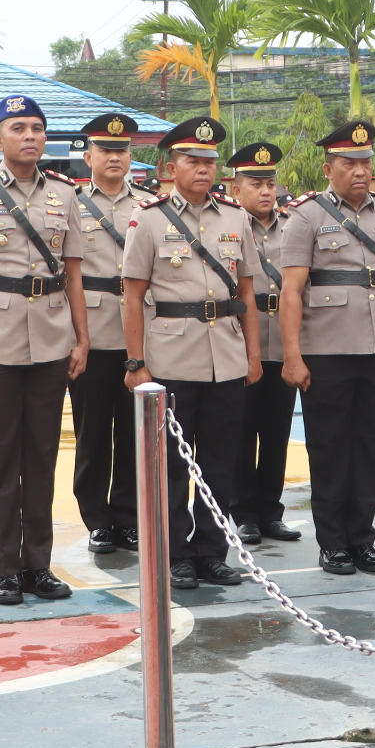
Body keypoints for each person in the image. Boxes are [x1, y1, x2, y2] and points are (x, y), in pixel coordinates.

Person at [0, 95, 90, 607]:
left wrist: (82, 337)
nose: (29, 136)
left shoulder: (64, 194)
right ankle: (6, 568)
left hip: (51, 338)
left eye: (36, 128)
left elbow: (73, 272)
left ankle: (38, 565)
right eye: (18, 128)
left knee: (43, 457)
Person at [121, 115, 258, 592]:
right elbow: (133, 295)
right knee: (174, 466)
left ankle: (212, 553)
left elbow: (247, 292)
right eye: (191, 160)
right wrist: (135, 363)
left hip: (226, 353)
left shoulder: (236, 217)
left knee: (220, 462)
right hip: (171, 357)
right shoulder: (150, 218)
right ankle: (177, 554)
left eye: (208, 161)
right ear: (170, 166)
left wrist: (254, 356)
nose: (202, 169)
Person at [279, 119, 375, 574]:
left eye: (365, 162)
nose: (359, 171)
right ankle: (333, 542)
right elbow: (292, 291)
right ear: (328, 168)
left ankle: (363, 540)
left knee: (370, 447)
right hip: (327, 349)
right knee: (330, 448)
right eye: (348, 163)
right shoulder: (307, 216)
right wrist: (293, 355)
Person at [65, 112, 153, 557]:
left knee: (136, 433)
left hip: (142, 335)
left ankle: (129, 516)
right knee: (93, 432)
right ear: (89, 156)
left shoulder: (151, 204)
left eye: (121, 151)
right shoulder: (71, 203)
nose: (114, 157)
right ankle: (97, 519)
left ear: (131, 156)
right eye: (105, 150)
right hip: (94, 332)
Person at [229, 141, 304, 547]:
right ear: (235, 188)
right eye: (255, 183)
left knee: (277, 433)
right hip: (240, 342)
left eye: (270, 183)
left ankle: (270, 512)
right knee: (241, 432)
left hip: (284, 343)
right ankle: (243, 513)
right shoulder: (225, 224)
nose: (265, 191)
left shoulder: (293, 224)